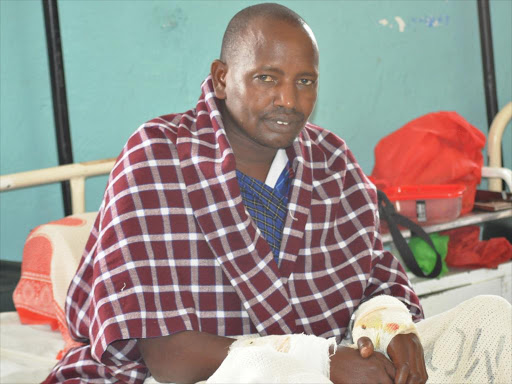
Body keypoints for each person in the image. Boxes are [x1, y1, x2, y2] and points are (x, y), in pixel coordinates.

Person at [44, 3, 511, 384]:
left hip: (338, 359)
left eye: (304, 81)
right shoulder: (158, 157)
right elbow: (171, 357)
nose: (289, 100)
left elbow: (377, 281)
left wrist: (391, 330)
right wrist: (322, 364)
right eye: (267, 77)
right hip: (220, 375)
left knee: (490, 322)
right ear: (223, 77)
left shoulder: (332, 160)